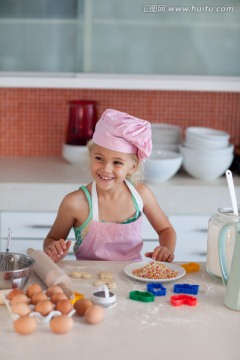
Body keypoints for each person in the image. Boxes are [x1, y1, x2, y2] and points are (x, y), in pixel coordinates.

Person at [43, 109, 176, 263]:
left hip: (131, 279)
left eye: (117, 162)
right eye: (99, 158)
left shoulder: (141, 194)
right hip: (88, 281)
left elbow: (166, 230)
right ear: (90, 156)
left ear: (132, 167)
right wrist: (53, 249)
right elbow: (52, 238)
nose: (106, 168)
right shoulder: (74, 203)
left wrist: (166, 249)